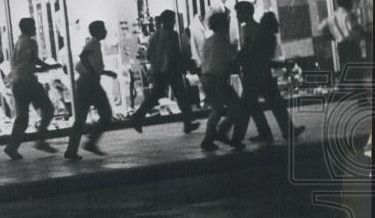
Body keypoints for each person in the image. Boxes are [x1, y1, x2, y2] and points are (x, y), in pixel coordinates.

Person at [231, 11, 305, 146]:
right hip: (261, 75)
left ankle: (242, 137)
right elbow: (264, 60)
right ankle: (286, 131)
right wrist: (282, 64)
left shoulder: (258, 34)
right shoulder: (268, 37)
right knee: (275, 104)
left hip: (252, 75)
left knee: (249, 107)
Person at [131, 9, 200, 135]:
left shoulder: (154, 36)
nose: (174, 22)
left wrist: (156, 67)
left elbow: (149, 55)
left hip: (159, 70)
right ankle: (137, 117)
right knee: (179, 95)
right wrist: (183, 67)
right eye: (172, 19)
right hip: (170, 70)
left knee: (162, 95)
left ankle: (187, 122)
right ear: (169, 21)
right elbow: (174, 54)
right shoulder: (172, 35)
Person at [4, 17, 61, 159]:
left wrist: (43, 69)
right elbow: (33, 59)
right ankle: (40, 139)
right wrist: (48, 66)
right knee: (48, 109)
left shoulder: (18, 43)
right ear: (28, 27)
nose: (35, 29)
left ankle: (12, 146)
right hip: (28, 83)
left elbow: (24, 65)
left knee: (22, 117)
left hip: (18, 82)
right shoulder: (29, 42)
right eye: (33, 26)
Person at [65, 20, 117, 160]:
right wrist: (92, 72)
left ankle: (74, 148)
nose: (106, 31)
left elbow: (93, 64)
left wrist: (105, 73)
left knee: (81, 118)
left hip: (87, 82)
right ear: (97, 31)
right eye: (103, 29)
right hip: (90, 84)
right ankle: (91, 140)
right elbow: (83, 56)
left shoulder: (95, 43)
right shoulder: (93, 43)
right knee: (106, 114)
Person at [198, 11, 242, 151]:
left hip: (206, 77)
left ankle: (208, 139)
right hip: (217, 79)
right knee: (236, 105)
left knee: (216, 109)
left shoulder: (208, 40)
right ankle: (221, 131)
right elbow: (232, 59)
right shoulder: (222, 41)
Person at [321, 0, 364, 68]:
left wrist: (334, 37)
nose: (352, 3)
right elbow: (353, 30)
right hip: (352, 46)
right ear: (346, 2)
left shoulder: (333, 16)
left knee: (347, 69)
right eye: (350, 0)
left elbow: (320, 28)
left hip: (341, 46)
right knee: (357, 70)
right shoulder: (349, 15)